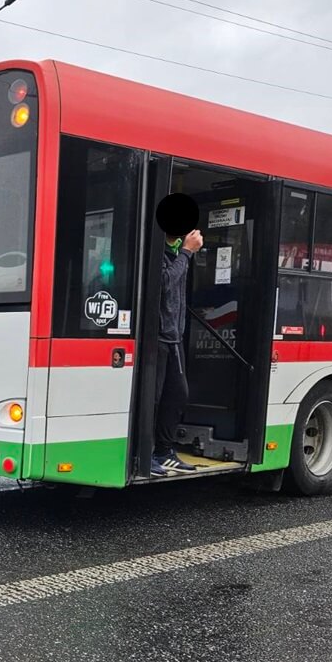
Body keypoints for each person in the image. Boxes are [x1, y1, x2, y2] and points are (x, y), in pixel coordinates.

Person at [151, 194, 203, 477]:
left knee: (177, 395)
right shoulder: (157, 247)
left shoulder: (174, 249)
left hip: (173, 336)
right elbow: (165, 284)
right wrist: (186, 252)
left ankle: (163, 450)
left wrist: (182, 252)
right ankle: (145, 453)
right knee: (154, 398)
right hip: (156, 336)